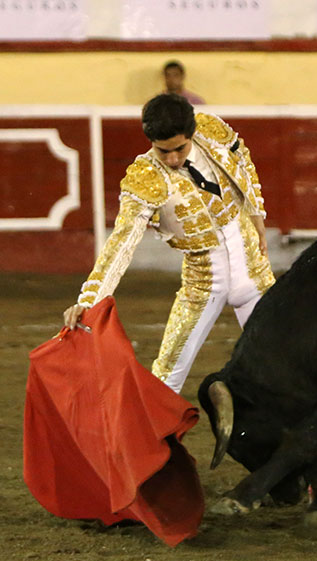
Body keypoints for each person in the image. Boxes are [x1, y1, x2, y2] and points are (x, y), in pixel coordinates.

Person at [63, 94, 275, 394]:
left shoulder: (210, 131)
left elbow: (242, 156)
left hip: (254, 268)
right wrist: (89, 300)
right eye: (164, 151)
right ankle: (154, 441)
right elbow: (122, 242)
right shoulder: (144, 178)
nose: (173, 159)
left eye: (179, 148)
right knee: (166, 376)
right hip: (204, 281)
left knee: (282, 363)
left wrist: (255, 211)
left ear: (191, 133)